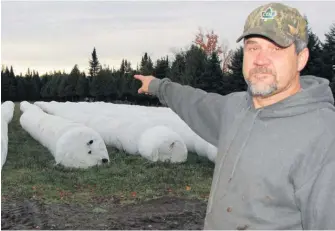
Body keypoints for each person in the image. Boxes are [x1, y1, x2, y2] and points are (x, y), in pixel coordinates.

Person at [134, 2, 335, 230]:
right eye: (253, 47)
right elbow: (195, 102)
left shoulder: (323, 136)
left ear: (301, 58)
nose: (260, 59)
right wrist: (157, 86)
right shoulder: (236, 108)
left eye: (276, 49)